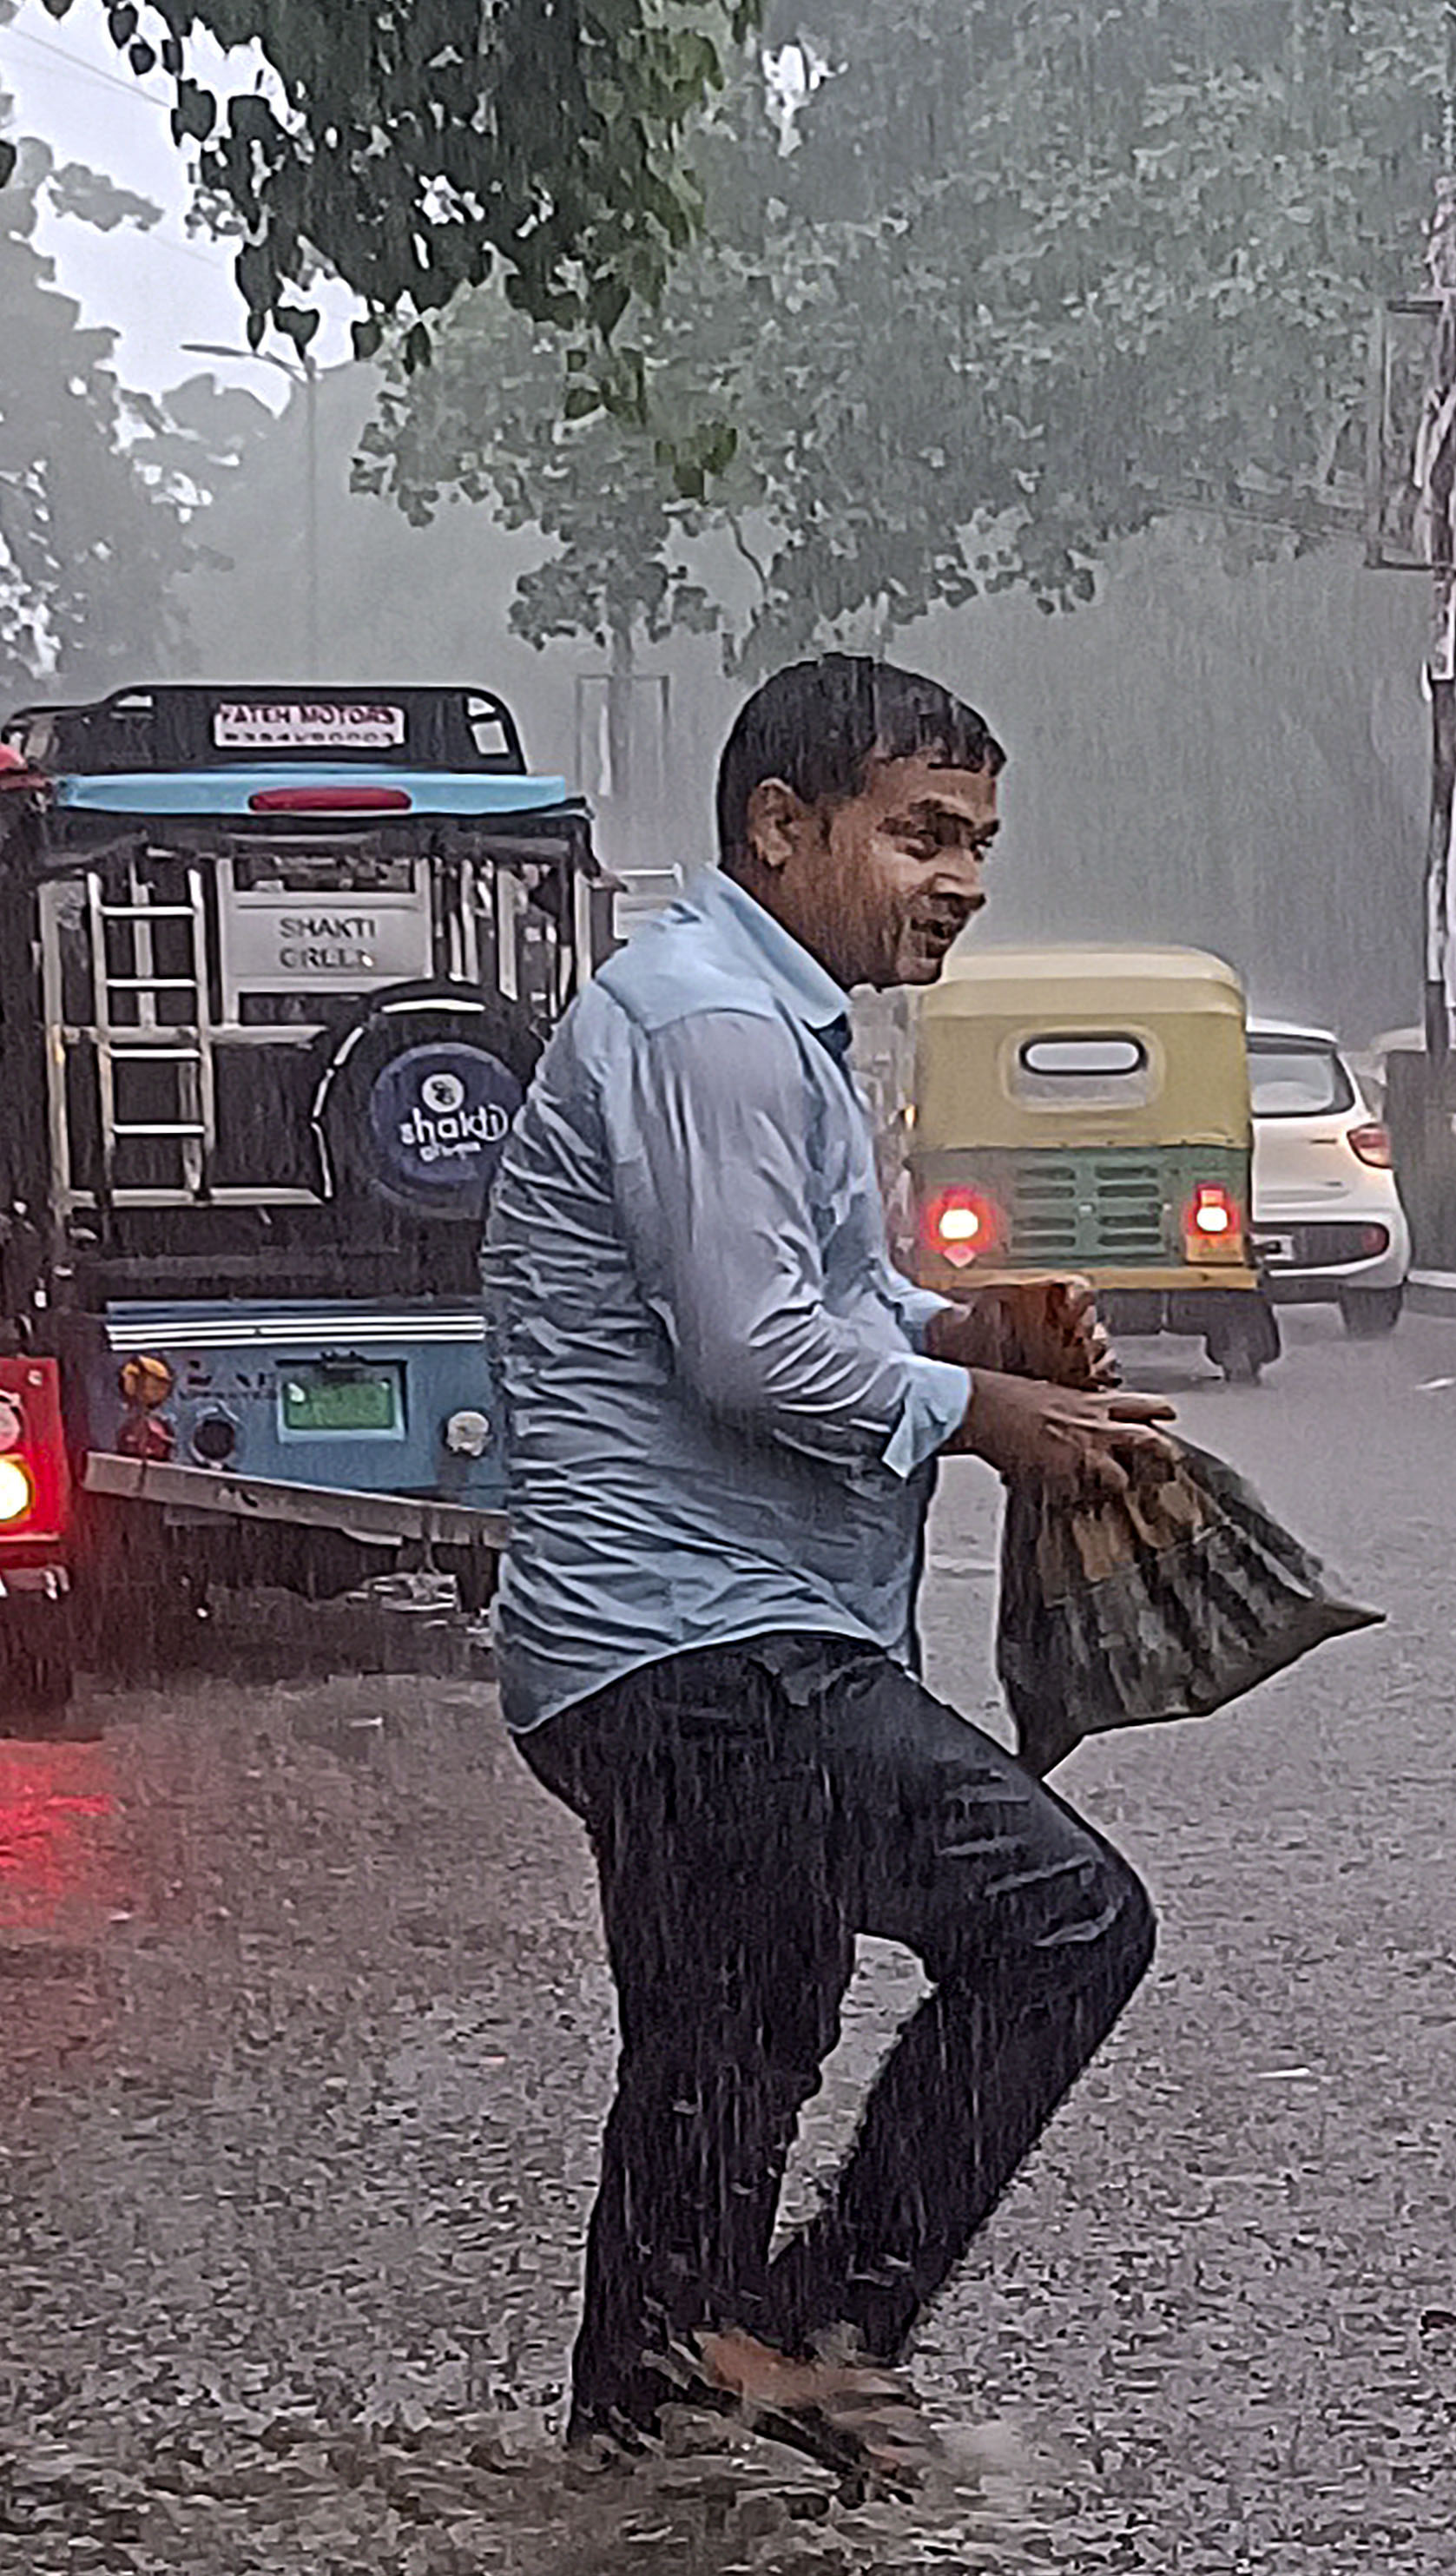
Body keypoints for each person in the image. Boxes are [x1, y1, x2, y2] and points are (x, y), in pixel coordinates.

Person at [483, 652, 1183, 2483]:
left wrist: (973, 1327)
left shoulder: (769, 1017)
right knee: (1065, 1920)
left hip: (684, 1647)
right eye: (921, 835)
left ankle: (637, 2429)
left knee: (728, 2046)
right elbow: (747, 1350)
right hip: (704, 1650)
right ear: (781, 829)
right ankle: (807, 2330)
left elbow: (837, 1307)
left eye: (980, 845)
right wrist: (983, 1418)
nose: (959, 880)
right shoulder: (712, 1024)